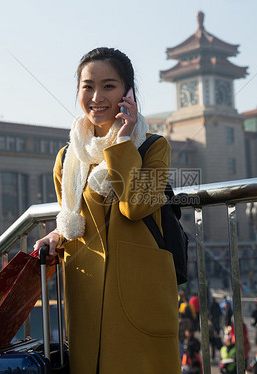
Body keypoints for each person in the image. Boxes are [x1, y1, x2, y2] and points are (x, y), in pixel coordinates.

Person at [34, 47, 180, 374]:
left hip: (139, 291)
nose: (96, 96)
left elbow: (136, 206)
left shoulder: (152, 147)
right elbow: (74, 219)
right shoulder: (66, 159)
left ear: (128, 94)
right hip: (86, 293)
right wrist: (57, 236)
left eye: (109, 85)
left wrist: (122, 143)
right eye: (87, 86)